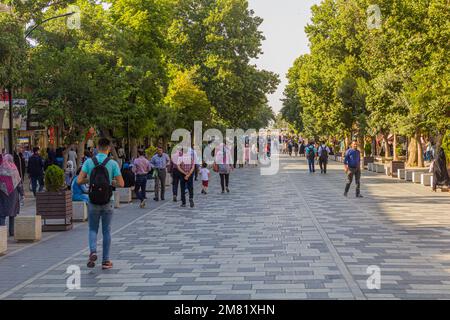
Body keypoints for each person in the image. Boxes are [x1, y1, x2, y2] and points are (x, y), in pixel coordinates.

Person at [77, 138, 124, 270]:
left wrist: (90, 179)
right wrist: (110, 182)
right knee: (106, 231)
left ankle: (92, 252)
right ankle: (106, 261)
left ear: (97, 147)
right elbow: (121, 183)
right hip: (108, 200)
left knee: (92, 229)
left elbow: (79, 181)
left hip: (93, 200)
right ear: (108, 148)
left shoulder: (89, 162)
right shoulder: (112, 163)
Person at [0, 154, 24, 237]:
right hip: (13, 194)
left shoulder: (1, 168)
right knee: (12, 214)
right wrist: (22, 193)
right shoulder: (14, 169)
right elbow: (19, 183)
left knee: (2, 214)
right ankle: (11, 232)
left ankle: (2, 232)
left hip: (2, 194)